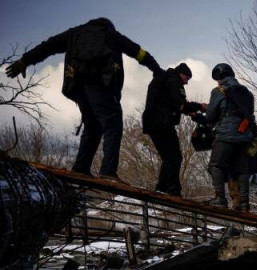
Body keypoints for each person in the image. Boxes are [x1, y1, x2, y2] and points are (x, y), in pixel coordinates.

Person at [5, 18, 163, 181]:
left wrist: (25, 60)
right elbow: (139, 53)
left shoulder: (74, 34)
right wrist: (157, 70)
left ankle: (81, 168)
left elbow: (49, 46)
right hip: (100, 84)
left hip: (77, 86)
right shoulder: (111, 35)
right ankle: (108, 172)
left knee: (93, 124)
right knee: (113, 123)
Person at [142, 63, 203, 196]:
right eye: (187, 79)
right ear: (182, 74)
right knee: (175, 157)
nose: (186, 83)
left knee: (168, 157)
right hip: (163, 123)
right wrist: (200, 106)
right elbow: (180, 104)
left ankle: (161, 188)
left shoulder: (164, 80)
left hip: (152, 123)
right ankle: (173, 190)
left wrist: (188, 112)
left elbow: (170, 103)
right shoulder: (174, 82)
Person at [203, 63, 254, 210]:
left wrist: (209, 112)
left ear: (219, 77)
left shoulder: (218, 91)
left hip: (226, 136)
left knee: (215, 166)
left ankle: (220, 198)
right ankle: (244, 203)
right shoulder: (247, 93)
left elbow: (210, 117)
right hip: (245, 136)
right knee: (242, 170)